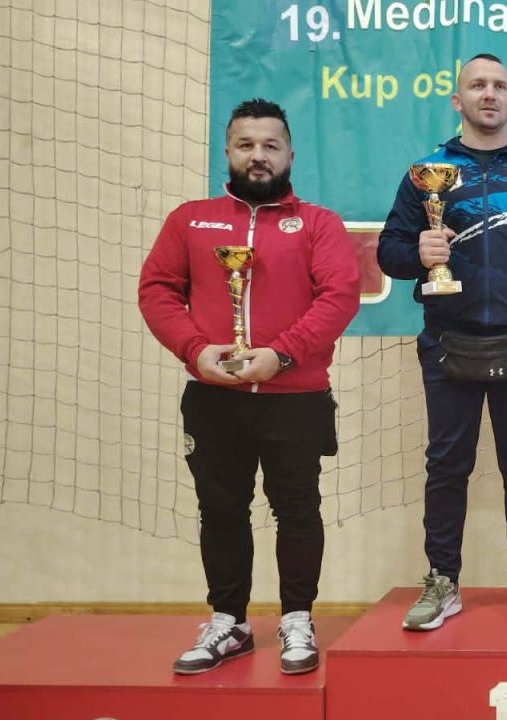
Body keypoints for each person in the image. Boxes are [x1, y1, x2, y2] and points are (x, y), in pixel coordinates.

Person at [139, 99, 360, 675]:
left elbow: (340, 296)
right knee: (220, 508)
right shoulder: (191, 220)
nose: (258, 156)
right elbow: (158, 290)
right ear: (228, 152)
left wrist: (281, 355)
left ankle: (297, 619)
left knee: (298, 508)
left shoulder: (318, 224)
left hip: (297, 399)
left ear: (290, 154)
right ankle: (229, 622)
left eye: (270, 145)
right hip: (214, 398)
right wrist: (195, 349)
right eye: (246, 145)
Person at [377, 54, 507, 634]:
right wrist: (418, 253)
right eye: (477, 85)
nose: (489, 94)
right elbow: (389, 252)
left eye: (499, 86)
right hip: (447, 344)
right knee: (446, 467)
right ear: (457, 99)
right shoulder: (426, 174)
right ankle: (442, 580)